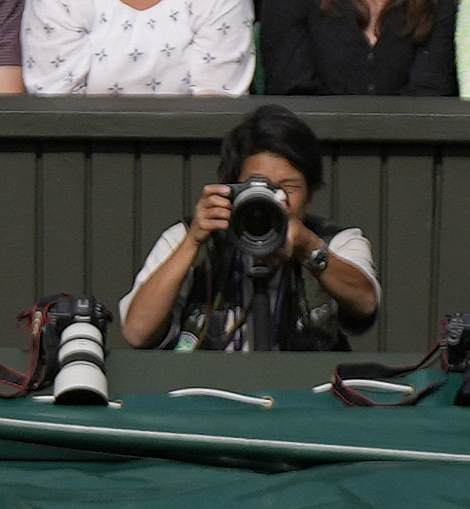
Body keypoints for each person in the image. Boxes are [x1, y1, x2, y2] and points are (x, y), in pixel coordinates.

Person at [119, 100, 381, 350]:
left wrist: (309, 249)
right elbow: (137, 333)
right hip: (207, 388)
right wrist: (193, 243)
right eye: (258, 185)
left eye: (288, 187)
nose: (277, 199)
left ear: (310, 193)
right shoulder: (188, 237)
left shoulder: (336, 241)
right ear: (230, 185)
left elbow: (366, 304)